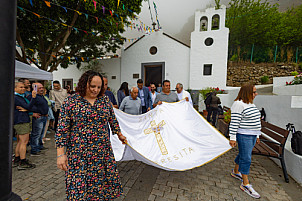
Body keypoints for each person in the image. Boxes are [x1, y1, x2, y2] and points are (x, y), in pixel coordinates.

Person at [55, 70, 126, 200]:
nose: (96, 90)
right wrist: (60, 154)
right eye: (92, 86)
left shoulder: (104, 100)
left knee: (101, 189)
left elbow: (112, 119)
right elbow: (62, 130)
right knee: (79, 189)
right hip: (79, 154)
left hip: (102, 152)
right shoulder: (71, 102)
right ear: (83, 84)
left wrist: (119, 134)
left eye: (99, 87)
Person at [229, 83, 261, 199]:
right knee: (246, 158)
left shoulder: (251, 104)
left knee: (243, 155)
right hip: (244, 135)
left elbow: (256, 121)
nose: (256, 94)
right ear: (247, 92)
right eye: (254, 92)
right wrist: (232, 137)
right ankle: (245, 183)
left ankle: (236, 172)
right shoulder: (238, 104)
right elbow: (234, 122)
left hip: (252, 135)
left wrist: (257, 135)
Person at [13, 82, 36, 170]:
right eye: (21, 87)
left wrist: (26, 108)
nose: (23, 89)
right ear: (15, 88)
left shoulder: (19, 97)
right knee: (24, 141)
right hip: (21, 121)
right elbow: (29, 107)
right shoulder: (17, 98)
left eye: (24, 87)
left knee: (20, 141)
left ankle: (17, 158)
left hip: (20, 120)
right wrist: (33, 98)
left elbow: (28, 107)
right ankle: (22, 161)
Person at [29, 83, 49, 156]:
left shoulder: (41, 96)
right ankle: (34, 149)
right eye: (39, 88)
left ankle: (39, 146)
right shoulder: (33, 97)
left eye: (42, 87)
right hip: (38, 117)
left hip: (44, 116)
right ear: (34, 88)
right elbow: (29, 106)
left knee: (41, 133)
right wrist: (32, 113)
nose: (41, 89)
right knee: (36, 134)